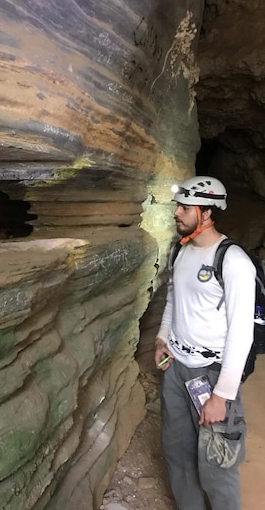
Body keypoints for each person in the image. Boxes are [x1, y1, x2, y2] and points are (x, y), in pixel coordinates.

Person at [154, 175, 256, 510]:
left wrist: (222, 396)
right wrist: (161, 338)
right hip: (176, 371)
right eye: (178, 206)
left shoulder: (234, 262)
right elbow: (173, 300)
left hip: (212, 376)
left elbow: (242, 334)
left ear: (208, 213)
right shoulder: (180, 252)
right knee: (178, 453)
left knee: (216, 465)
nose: (177, 213)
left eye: (185, 207)